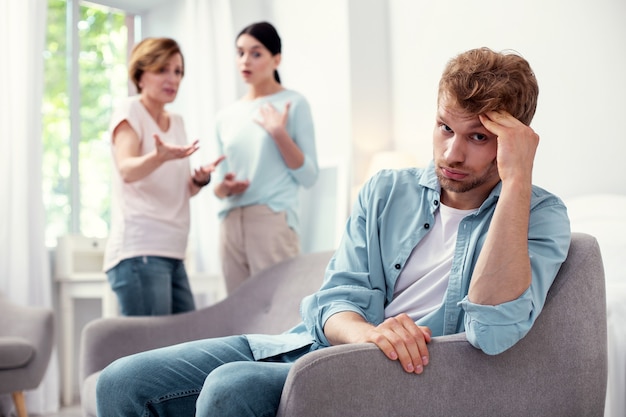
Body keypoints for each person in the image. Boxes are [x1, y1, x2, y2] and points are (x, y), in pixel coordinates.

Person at [96, 47, 570, 416]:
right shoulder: (387, 189)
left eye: (479, 137)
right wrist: (370, 334)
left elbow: (492, 331)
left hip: (379, 376)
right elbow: (334, 299)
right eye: (445, 128)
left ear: (515, 139)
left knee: (231, 387)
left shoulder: (539, 215)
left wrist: (517, 182)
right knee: (119, 381)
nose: (451, 154)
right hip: (311, 345)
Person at [103, 37, 224, 316]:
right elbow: (127, 169)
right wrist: (158, 157)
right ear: (140, 75)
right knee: (152, 351)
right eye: (162, 70)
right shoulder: (130, 110)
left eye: (178, 71)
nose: (173, 79)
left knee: (183, 349)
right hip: (140, 249)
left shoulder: (177, 122)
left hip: (173, 250)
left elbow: (178, 189)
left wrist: (198, 180)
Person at [212, 21, 319, 293]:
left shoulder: (294, 103)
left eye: (256, 53)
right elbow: (218, 185)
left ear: (276, 59)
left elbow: (308, 176)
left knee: (280, 313)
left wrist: (278, 133)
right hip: (230, 222)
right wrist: (225, 187)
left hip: (271, 219)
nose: (245, 61)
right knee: (235, 315)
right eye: (240, 53)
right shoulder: (225, 117)